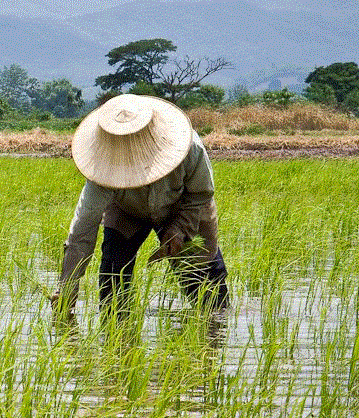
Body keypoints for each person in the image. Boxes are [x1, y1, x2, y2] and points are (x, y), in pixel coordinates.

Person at [50, 94, 229, 330]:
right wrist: (67, 286)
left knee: (208, 287)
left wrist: (179, 229)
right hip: (126, 211)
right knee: (113, 279)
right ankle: (117, 338)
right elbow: (83, 227)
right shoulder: (101, 169)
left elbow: (201, 194)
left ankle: (213, 332)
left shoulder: (189, 148)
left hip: (183, 206)